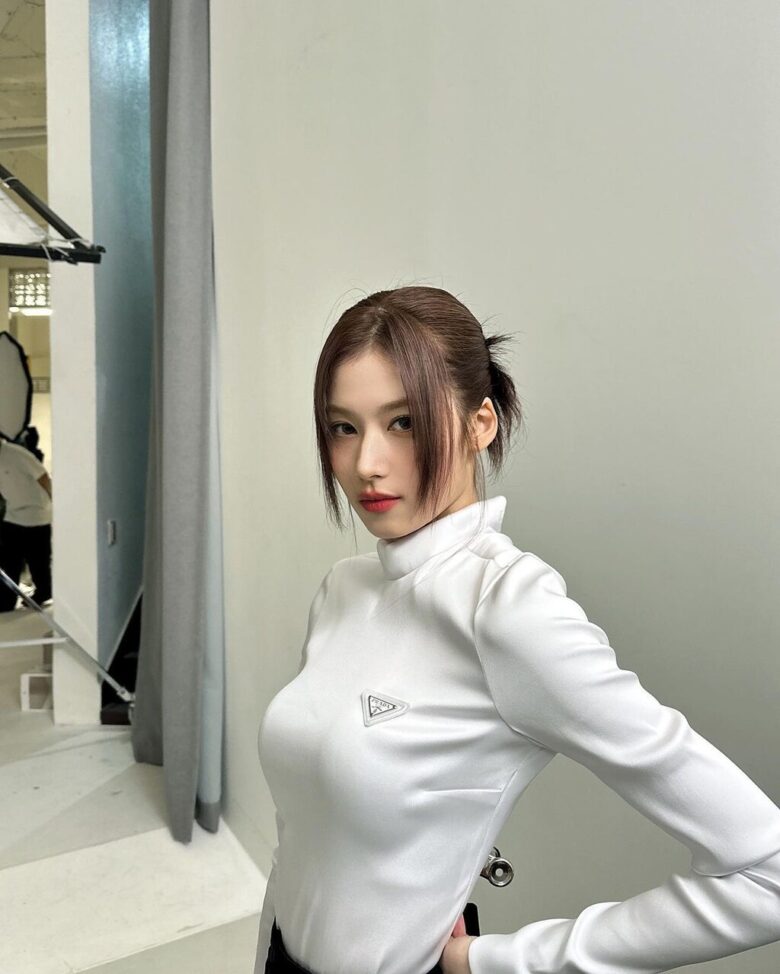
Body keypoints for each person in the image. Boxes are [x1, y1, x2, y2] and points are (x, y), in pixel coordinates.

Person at [255, 286, 780, 974]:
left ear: (481, 424)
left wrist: (498, 961)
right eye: (343, 428)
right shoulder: (342, 590)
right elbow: (306, 837)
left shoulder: (506, 608)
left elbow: (767, 875)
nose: (366, 464)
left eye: (404, 422)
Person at [0, 434, 53, 611]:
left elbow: (43, 477)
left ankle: (44, 592)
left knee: (38, 560)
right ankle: (6, 600)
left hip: (36, 513)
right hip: (13, 514)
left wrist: (53, 502)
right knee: (9, 560)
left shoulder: (16, 453)